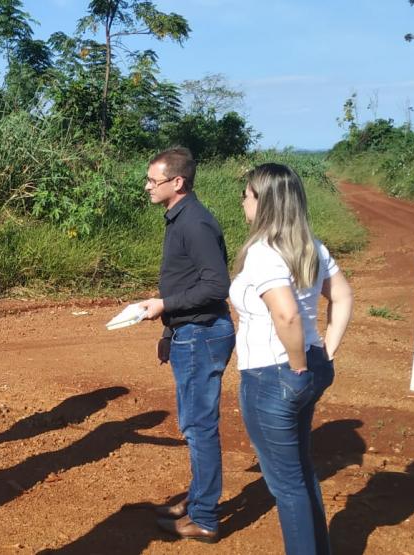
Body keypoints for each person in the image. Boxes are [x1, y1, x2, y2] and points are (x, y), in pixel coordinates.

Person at [231, 163, 353, 554]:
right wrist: (325, 348)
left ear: (263, 202)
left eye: (247, 194)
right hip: (306, 370)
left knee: (286, 486)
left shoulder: (263, 253)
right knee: (299, 474)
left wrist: (298, 362)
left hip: (273, 376)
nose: (242, 200)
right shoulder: (311, 246)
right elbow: (343, 296)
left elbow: (285, 313)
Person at [136, 147, 235, 543]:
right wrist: (168, 330)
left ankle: (206, 516)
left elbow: (215, 286)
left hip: (203, 333)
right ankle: (197, 501)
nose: (147, 187)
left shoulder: (195, 223)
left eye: (152, 180)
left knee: (199, 427)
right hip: (189, 332)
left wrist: (164, 307)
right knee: (194, 424)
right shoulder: (179, 218)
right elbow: (184, 281)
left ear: (177, 182)